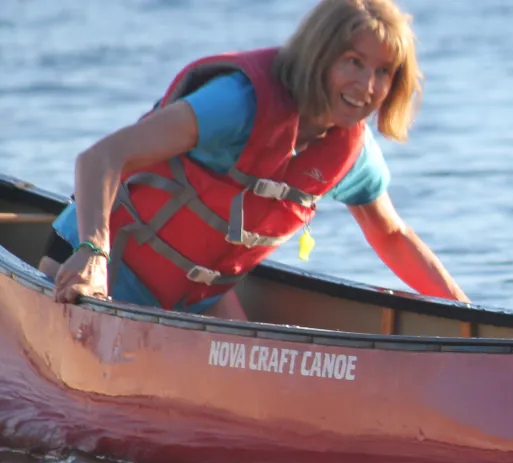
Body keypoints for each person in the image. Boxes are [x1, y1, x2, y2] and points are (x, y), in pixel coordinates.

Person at [42, 0, 469, 321]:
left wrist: (469, 315)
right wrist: (92, 254)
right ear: (320, 56)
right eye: (353, 63)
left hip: (192, 298)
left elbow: (392, 235)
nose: (367, 85)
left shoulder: (351, 150)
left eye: (384, 72)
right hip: (87, 267)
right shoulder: (238, 104)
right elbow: (101, 157)